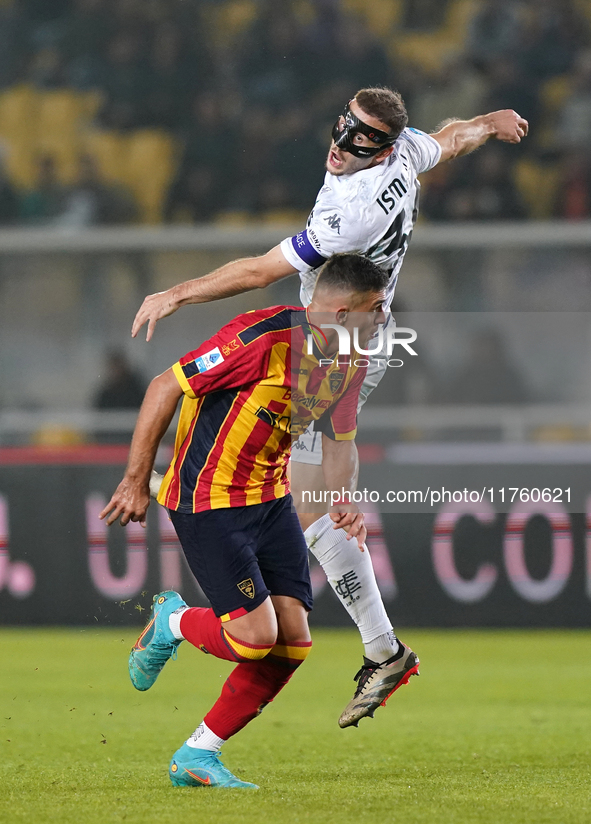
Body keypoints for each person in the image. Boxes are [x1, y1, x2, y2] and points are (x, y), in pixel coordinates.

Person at [131, 86, 528, 727]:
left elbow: (263, 270)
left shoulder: (352, 211)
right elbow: (450, 140)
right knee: (304, 489)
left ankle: (376, 646)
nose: (343, 147)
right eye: (345, 128)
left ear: (385, 149)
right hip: (354, 338)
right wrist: (490, 121)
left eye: (362, 141)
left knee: (300, 488)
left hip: (335, 344)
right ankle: (380, 647)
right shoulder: (402, 159)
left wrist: (177, 293)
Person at [100, 254, 419, 789]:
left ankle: (197, 755)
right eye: (377, 308)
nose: (385, 318)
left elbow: (340, 439)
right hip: (210, 500)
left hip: (270, 499)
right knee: (253, 638)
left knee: (292, 642)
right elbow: (163, 387)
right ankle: (172, 621)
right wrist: (135, 479)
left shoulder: (352, 356)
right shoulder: (261, 340)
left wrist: (343, 500)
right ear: (341, 313)